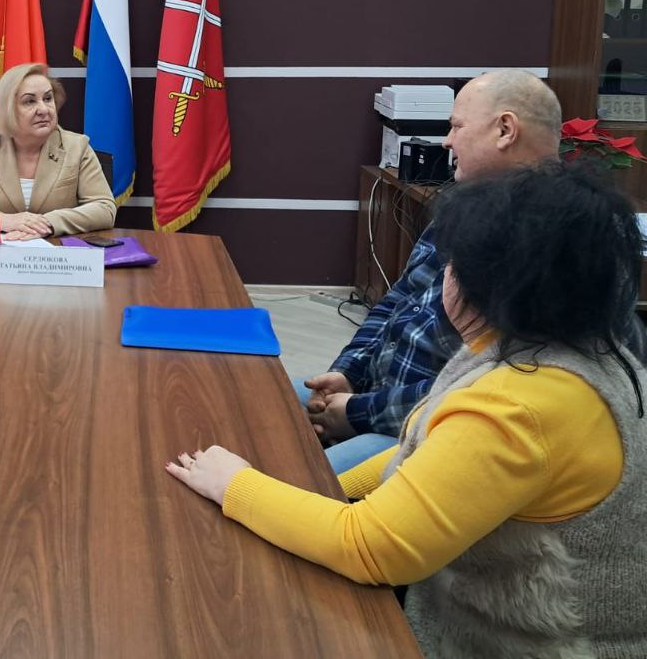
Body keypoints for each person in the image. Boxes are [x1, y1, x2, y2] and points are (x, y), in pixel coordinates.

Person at [168, 162, 647, 658]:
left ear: (487, 284)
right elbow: (436, 451)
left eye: (451, 265)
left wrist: (234, 485)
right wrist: (326, 485)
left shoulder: (517, 404)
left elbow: (372, 551)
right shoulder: (578, 352)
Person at [300, 69, 562, 473]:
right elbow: (396, 301)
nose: (447, 141)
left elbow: (485, 381)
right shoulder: (465, 205)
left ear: (505, 130)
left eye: (457, 126)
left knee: (303, 477)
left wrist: (356, 412)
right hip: (374, 397)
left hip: (432, 428)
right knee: (258, 400)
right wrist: (347, 373)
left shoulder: (555, 239)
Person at [0, 63, 116, 239]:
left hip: (58, 252)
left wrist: (48, 223)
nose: (44, 109)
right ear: (8, 109)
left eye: (48, 98)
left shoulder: (77, 147)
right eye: (30, 101)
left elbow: (104, 208)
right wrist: (0, 220)